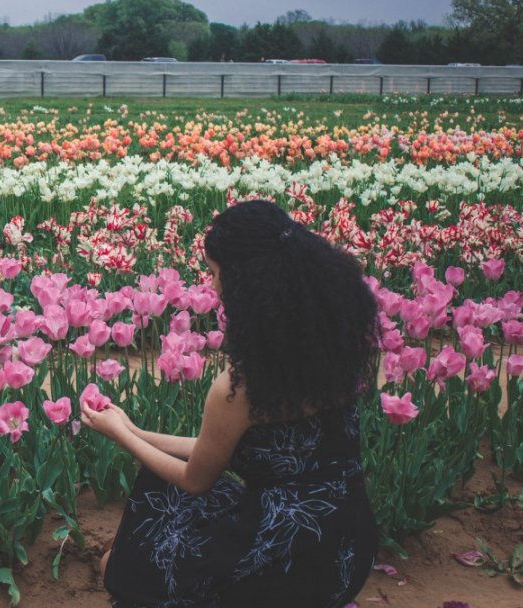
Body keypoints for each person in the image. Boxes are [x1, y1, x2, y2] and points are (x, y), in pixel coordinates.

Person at [82, 200, 379, 608]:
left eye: (215, 273)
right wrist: (134, 429)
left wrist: (120, 436)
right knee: (145, 530)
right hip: (349, 547)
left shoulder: (240, 388)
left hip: (285, 564)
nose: (214, 287)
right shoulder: (335, 352)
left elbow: (195, 480)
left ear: (244, 284)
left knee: (116, 566)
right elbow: (217, 450)